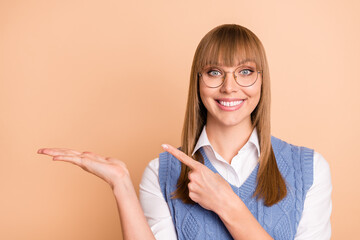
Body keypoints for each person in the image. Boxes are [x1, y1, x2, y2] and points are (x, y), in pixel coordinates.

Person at [37, 24, 332, 240]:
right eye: (215, 72)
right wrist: (122, 186)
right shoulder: (160, 173)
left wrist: (227, 205)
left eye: (245, 71)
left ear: (261, 81)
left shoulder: (310, 169)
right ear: (198, 82)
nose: (229, 87)